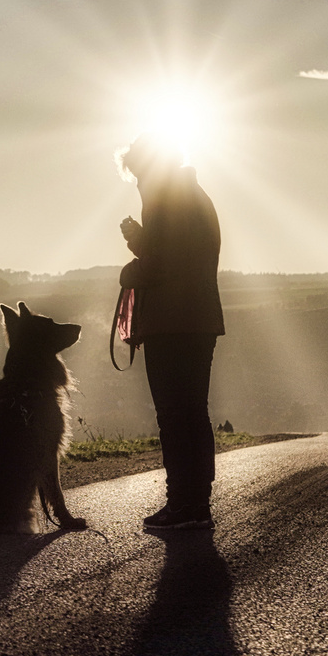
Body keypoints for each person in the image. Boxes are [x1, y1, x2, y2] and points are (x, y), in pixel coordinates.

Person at [116, 132, 225, 530]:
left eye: (138, 172)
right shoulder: (195, 195)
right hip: (199, 320)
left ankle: (181, 504)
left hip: (170, 324)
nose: (139, 181)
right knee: (193, 413)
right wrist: (139, 241)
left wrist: (129, 272)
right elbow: (178, 253)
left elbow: (160, 265)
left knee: (173, 415)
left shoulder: (162, 198)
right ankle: (197, 504)